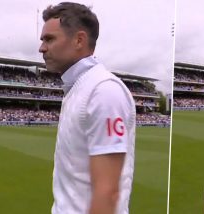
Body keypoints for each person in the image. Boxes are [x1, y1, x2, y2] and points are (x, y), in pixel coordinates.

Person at [39, 2, 136, 214]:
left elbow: (107, 193)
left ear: (79, 40)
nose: (42, 48)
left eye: (49, 39)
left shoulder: (103, 90)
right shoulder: (78, 87)